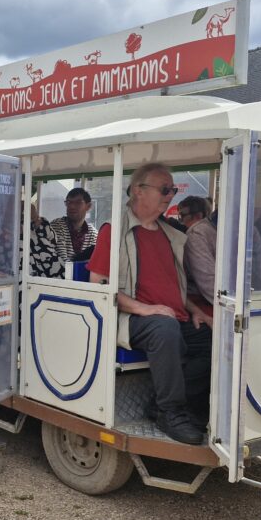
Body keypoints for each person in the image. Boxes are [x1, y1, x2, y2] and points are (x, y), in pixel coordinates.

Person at [88, 163, 212, 445]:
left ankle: (171, 405)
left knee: (211, 338)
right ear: (138, 191)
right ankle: (170, 412)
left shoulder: (171, 234)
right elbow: (98, 284)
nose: (171, 195)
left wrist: (196, 312)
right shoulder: (113, 230)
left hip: (170, 317)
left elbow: (173, 287)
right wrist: (144, 309)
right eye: (165, 189)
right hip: (130, 318)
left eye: (173, 190)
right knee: (165, 329)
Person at [50, 187, 98, 263]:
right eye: (69, 202)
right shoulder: (57, 226)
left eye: (78, 202)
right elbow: (62, 263)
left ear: (88, 206)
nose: (72, 206)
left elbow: (95, 263)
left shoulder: (93, 234)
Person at [29, 203, 63, 278]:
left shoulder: (43, 223)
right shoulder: (13, 237)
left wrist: (36, 219)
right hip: (33, 277)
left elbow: (53, 241)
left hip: (55, 274)